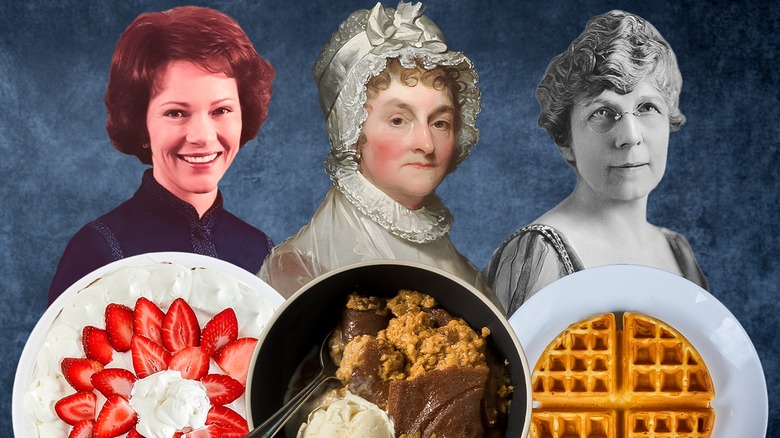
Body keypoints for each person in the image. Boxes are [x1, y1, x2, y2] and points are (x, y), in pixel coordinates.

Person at [259, 2, 494, 303]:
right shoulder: (299, 267)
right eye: (398, 120)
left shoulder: (464, 272)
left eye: (440, 123)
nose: (426, 144)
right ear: (352, 133)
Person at [485, 10, 708, 316]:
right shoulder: (539, 253)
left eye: (647, 108)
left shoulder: (678, 251)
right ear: (566, 142)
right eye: (602, 113)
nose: (630, 137)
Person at [48, 6, 275, 305]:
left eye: (221, 110)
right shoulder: (98, 249)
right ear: (140, 125)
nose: (203, 136)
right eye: (176, 113)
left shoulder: (261, 249)